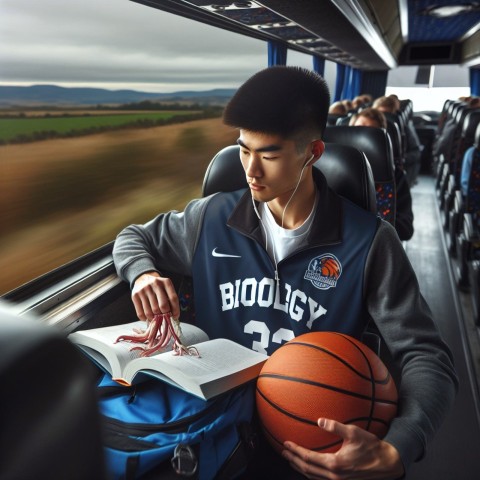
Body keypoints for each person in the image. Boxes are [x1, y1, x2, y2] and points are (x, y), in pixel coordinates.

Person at [113, 66, 457, 480]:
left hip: (311, 444)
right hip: (215, 431)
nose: (250, 170)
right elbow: (133, 238)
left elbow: (426, 355)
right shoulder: (209, 218)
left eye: (269, 154)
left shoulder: (370, 242)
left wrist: (399, 446)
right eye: (243, 150)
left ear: (311, 152)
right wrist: (142, 274)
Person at [349, 107, 415, 241]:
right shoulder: (332, 170)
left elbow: (406, 228)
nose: (363, 137)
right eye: (358, 129)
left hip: (379, 244)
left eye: (370, 133)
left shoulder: (394, 176)